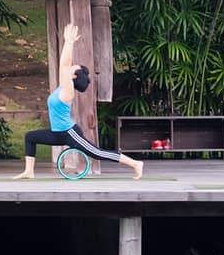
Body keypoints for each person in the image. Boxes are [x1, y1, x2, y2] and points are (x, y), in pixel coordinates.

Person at [14, 22, 143, 180]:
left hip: (69, 133)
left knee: (96, 153)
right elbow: (64, 65)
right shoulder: (63, 86)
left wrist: (69, 42)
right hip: (57, 133)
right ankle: (29, 171)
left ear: (73, 76)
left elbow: (64, 64)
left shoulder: (68, 91)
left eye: (73, 68)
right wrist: (68, 42)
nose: (71, 66)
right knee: (30, 137)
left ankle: (136, 164)